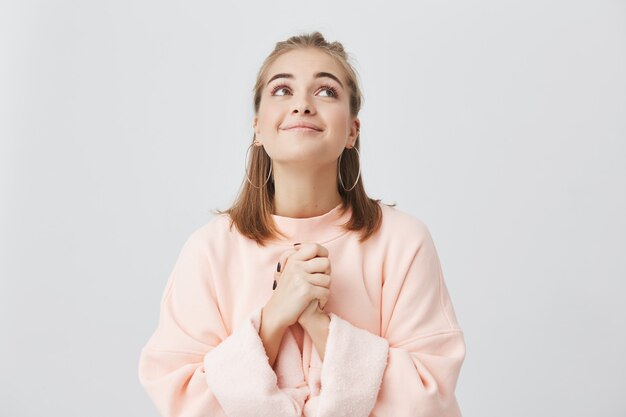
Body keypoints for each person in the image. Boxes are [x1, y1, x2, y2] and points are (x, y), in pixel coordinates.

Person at [138, 31, 466, 417]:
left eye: (326, 91)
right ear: (258, 127)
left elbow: (428, 397)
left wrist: (320, 325)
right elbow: (180, 397)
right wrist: (274, 318)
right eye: (282, 90)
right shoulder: (209, 250)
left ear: (352, 131)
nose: (303, 106)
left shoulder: (403, 241)